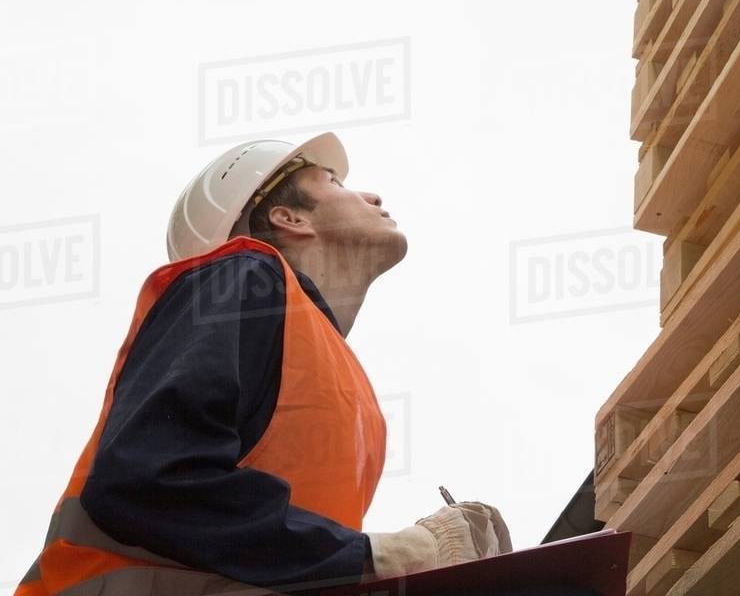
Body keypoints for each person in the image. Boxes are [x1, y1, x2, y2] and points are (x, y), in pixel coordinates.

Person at [16, 132, 511, 595]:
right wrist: (383, 554)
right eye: (334, 182)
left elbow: (276, 556)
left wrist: (397, 562)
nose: (373, 197)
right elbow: (149, 481)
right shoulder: (245, 277)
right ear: (289, 218)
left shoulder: (338, 374)